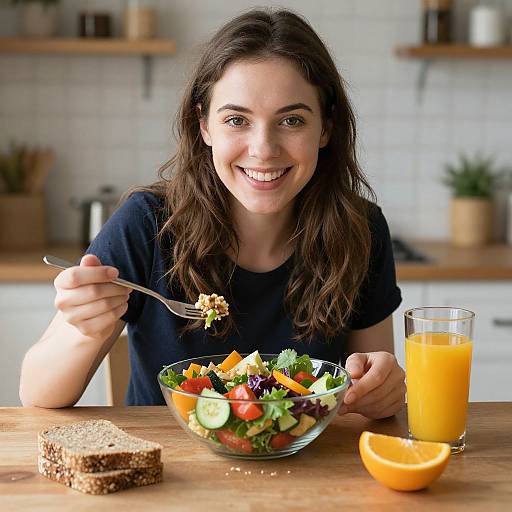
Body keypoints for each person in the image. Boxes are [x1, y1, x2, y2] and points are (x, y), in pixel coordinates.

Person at [19, 8, 405, 418]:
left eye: (291, 120)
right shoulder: (148, 224)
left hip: (312, 470)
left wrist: (380, 390)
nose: (263, 149)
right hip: (168, 471)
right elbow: (36, 394)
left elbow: (370, 395)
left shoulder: (361, 231)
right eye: (237, 120)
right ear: (204, 126)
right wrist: (83, 331)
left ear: (325, 128)